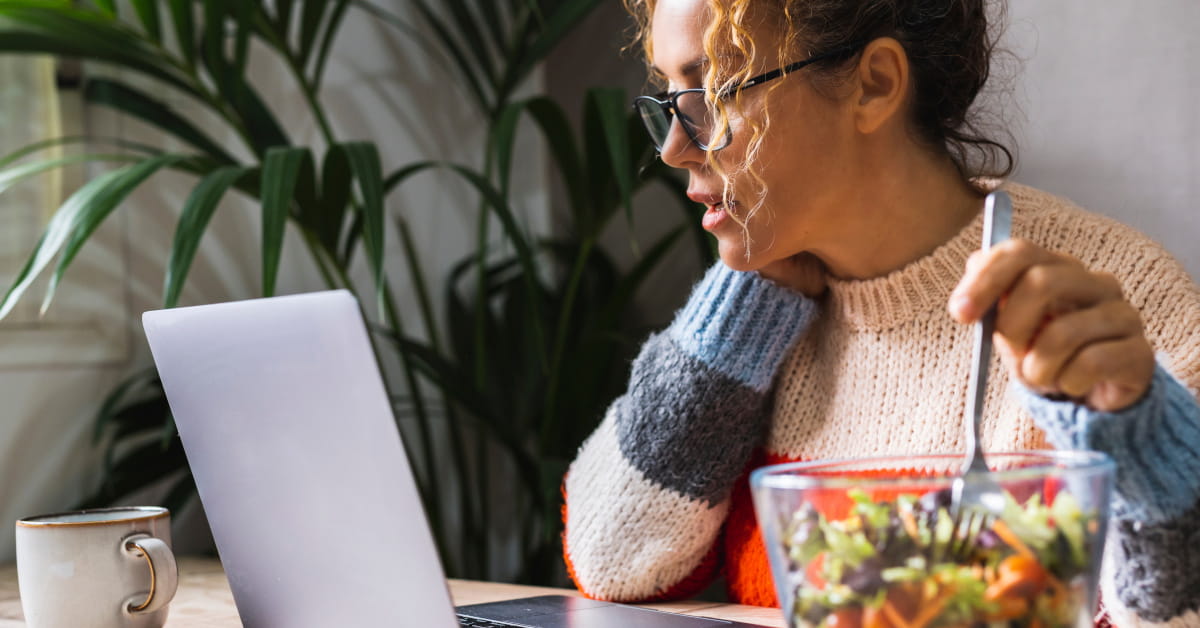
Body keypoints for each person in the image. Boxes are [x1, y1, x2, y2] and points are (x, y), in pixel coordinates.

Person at [560, 1, 1200, 626]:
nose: (675, 147)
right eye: (671, 99)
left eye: (717, 93)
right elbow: (611, 559)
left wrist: (1140, 434)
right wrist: (743, 308)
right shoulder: (764, 309)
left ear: (875, 84)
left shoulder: (1112, 309)